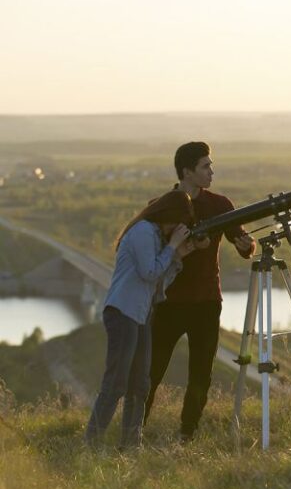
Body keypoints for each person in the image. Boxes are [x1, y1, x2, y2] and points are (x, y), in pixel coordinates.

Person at [143, 141, 255, 442]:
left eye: (210, 165)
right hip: (169, 302)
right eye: (206, 166)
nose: (211, 172)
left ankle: (187, 435)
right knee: (151, 371)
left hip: (207, 302)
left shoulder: (220, 205)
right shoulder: (162, 206)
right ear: (187, 171)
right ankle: (134, 430)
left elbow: (241, 240)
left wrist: (248, 247)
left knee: (201, 374)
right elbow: (149, 253)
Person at [85, 190, 195, 448]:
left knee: (140, 385)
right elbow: (149, 272)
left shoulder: (156, 237)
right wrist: (171, 248)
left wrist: (177, 258)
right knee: (116, 382)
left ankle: (131, 446)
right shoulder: (144, 232)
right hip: (123, 312)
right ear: (171, 215)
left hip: (142, 314)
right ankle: (91, 443)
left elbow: (158, 284)